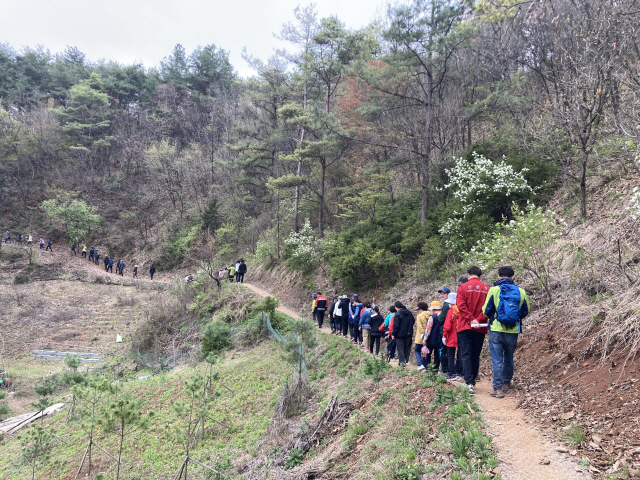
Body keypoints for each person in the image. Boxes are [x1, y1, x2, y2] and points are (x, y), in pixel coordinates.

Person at [480, 266, 530, 399]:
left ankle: (498, 388)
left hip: (496, 329)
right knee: (509, 357)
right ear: (513, 277)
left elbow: (486, 309)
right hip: (513, 330)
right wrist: (514, 319)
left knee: (497, 360)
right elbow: (526, 310)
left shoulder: (494, 289)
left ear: (499, 277)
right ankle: (507, 382)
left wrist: (495, 317)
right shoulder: (521, 291)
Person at [456, 266, 490, 393]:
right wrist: (479, 320)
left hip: (465, 326)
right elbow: (488, 308)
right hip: (480, 327)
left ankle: (468, 382)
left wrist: (471, 320)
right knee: (475, 354)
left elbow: (461, 306)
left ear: (468, 275)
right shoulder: (487, 289)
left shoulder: (462, 288)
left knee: (465, 354)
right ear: (480, 276)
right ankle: (473, 380)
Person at [442, 293, 461, 381]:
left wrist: (444, 335)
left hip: (451, 335)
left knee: (450, 354)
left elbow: (447, 325)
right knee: (460, 353)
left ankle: (451, 372)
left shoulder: (451, 310)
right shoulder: (460, 308)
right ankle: (459, 371)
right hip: (460, 334)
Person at [391, 301, 415, 366]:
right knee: (406, 347)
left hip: (399, 334)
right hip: (408, 333)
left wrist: (393, 334)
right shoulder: (409, 313)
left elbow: (396, 326)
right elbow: (413, 321)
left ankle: (402, 362)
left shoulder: (398, 314)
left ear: (396, 307)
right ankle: (405, 359)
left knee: (400, 348)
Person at [423, 302, 443, 371]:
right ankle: (436, 369)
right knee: (437, 355)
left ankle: (428, 368)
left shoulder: (432, 317)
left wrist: (425, 339)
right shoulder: (443, 316)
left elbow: (428, 329)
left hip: (431, 339)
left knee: (428, 353)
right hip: (440, 338)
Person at [436, 287, 452, 374]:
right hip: (448, 330)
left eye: (444, 294)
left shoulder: (446, 304)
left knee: (442, 350)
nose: (442, 295)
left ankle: (445, 370)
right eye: (441, 294)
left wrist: (439, 315)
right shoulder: (449, 304)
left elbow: (442, 318)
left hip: (444, 330)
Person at [414, 302, 431, 371]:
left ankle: (420, 364)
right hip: (429, 336)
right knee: (425, 352)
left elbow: (420, 327)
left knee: (417, 350)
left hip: (420, 336)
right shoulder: (430, 315)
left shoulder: (419, 316)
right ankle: (425, 366)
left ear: (419, 308)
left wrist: (424, 335)